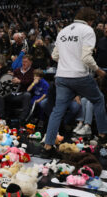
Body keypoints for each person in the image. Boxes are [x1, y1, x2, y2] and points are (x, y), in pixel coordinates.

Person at [43, 7, 107, 158]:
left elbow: (54, 56)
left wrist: (68, 61)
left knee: (57, 111)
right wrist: (98, 70)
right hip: (79, 76)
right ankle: (103, 136)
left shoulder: (63, 31)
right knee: (98, 100)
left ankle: (47, 146)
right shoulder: (87, 30)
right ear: (90, 20)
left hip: (62, 76)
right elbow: (86, 58)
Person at [0, 54, 34, 123]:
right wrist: (11, 77)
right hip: (13, 93)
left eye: (25, 62)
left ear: (30, 62)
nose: (23, 63)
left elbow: (30, 81)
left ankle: (21, 119)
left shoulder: (32, 72)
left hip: (22, 94)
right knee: (1, 92)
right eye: (23, 61)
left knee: (27, 95)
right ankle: (1, 117)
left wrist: (20, 81)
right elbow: (11, 81)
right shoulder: (17, 70)